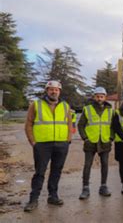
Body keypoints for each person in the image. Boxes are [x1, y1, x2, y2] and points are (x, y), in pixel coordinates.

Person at [24, 81, 72, 212]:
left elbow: (69, 124)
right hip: (42, 145)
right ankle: (33, 199)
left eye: (56, 90)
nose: (54, 92)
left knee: (56, 171)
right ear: (46, 91)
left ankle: (53, 196)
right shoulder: (36, 105)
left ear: (59, 91)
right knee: (40, 172)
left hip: (61, 144)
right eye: (51, 89)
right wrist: (33, 141)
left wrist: (68, 140)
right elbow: (28, 124)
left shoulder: (65, 106)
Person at [78, 87, 113, 200]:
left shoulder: (110, 110)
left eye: (101, 96)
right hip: (91, 142)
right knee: (87, 165)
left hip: (105, 142)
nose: (99, 98)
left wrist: (111, 138)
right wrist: (85, 138)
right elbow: (81, 125)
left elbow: (113, 126)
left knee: (105, 164)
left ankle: (103, 186)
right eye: (97, 96)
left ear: (105, 97)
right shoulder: (87, 109)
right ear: (94, 97)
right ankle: (85, 188)